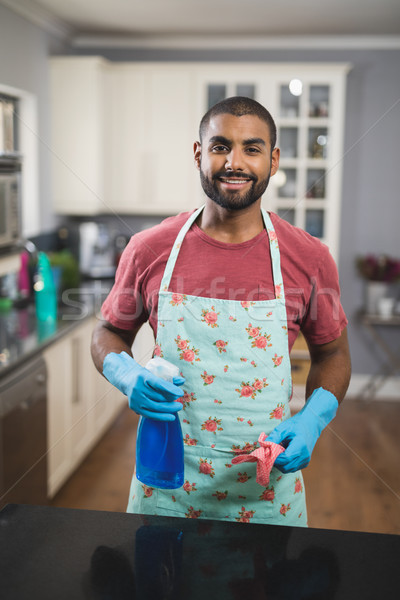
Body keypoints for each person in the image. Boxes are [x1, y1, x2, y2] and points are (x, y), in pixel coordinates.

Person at [91, 96, 351, 526]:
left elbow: (334, 353)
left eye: (252, 148)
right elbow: (107, 332)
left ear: (273, 158)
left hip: (266, 492)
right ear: (199, 154)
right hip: (166, 486)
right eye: (220, 146)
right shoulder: (150, 248)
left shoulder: (309, 257)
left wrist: (313, 418)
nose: (235, 162)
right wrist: (125, 372)